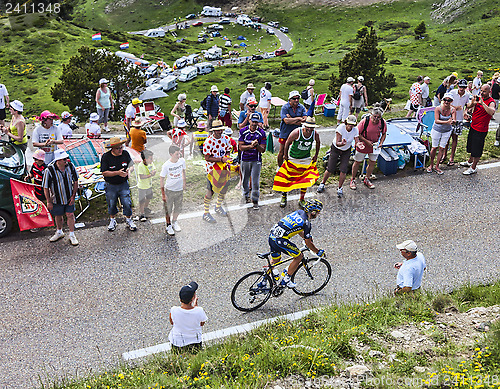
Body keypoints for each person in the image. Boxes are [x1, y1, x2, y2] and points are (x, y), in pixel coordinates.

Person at [268, 199, 326, 288]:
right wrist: (317, 251)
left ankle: (264, 279)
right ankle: (286, 280)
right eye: (318, 212)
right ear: (313, 212)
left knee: (276, 260)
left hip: (272, 237)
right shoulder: (306, 223)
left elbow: (297, 229)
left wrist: (305, 237)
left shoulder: (299, 212)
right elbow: (308, 243)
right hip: (281, 241)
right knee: (299, 256)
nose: (318, 215)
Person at [274, 116, 320, 208]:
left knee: (305, 179)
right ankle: (284, 195)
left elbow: (318, 142)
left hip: (305, 158)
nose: (310, 129)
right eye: (308, 127)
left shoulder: (315, 134)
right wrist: (285, 155)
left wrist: (316, 155)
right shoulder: (297, 132)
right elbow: (287, 142)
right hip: (293, 157)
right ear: (305, 126)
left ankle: (302, 198)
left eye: (312, 128)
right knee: (287, 177)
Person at [42, 149, 79, 246]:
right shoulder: (49, 170)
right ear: (58, 160)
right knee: (58, 215)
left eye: (66, 158)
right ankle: (59, 231)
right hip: (56, 198)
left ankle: (72, 234)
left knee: (70, 214)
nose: (66, 160)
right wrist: (49, 201)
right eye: (63, 159)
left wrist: (73, 195)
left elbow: (76, 181)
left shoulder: (70, 166)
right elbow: (45, 187)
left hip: (69, 196)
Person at [317, 115, 359, 198]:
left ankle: (340, 188)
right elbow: (337, 143)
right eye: (349, 124)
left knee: (343, 170)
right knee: (330, 168)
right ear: (346, 123)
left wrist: (359, 144)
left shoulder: (355, 130)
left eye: (352, 125)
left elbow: (356, 141)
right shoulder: (340, 128)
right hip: (336, 148)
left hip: (346, 150)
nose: (350, 126)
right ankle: (322, 183)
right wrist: (342, 143)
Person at [100, 137, 137, 231]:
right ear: (112, 149)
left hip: (123, 183)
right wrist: (117, 173)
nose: (120, 150)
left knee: (127, 202)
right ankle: (112, 220)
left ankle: (129, 219)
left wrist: (129, 170)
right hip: (111, 184)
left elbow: (131, 165)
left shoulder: (125, 154)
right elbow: (104, 172)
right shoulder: (106, 157)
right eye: (118, 148)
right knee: (111, 203)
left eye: (122, 147)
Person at [202, 120, 233, 223]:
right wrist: (221, 159)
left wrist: (227, 157)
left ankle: (218, 206)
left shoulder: (226, 138)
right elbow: (207, 157)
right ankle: (206, 213)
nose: (220, 132)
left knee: (224, 188)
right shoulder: (208, 142)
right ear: (213, 131)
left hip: (224, 168)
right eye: (218, 130)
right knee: (210, 191)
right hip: (212, 170)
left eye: (221, 129)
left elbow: (228, 150)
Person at [460, 84, 495, 175]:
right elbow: (468, 106)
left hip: (481, 129)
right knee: (471, 145)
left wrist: (482, 103)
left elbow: (491, 112)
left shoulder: (491, 102)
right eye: (481, 91)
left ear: (489, 91)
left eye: (484, 91)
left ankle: (473, 167)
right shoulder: (478, 98)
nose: (482, 93)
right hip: (473, 126)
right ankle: (470, 161)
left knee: (477, 149)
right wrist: (473, 103)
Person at [350, 107, 387, 190]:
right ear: (371, 115)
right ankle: (353, 179)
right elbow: (357, 133)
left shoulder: (382, 122)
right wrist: (366, 141)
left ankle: (367, 178)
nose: (376, 119)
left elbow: (384, 133)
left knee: (372, 163)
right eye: (375, 117)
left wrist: (381, 143)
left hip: (374, 146)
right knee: (357, 162)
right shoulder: (364, 121)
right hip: (362, 145)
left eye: (378, 117)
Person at [168, 281, 207, 353]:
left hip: (177, 342)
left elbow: (172, 322)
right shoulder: (199, 311)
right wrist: (195, 307)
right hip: (194, 342)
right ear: (193, 298)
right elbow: (201, 323)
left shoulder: (174, 310)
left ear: (180, 299)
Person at [239, 113, 266, 209]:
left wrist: (257, 145)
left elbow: (263, 150)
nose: (254, 124)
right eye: (253, 121)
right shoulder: (243, 131)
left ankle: (255, 200)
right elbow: (241, 147)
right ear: (249, 121)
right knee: (245, 179)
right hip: (245, 159)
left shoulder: (262, 133)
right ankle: (245, 196)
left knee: (255, 181)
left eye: (256, 122)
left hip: (256, 159)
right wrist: (250, 146)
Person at [426, 92, 456, 175]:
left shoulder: (453, 110)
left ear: (451, 101)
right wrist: (447, 122)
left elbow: (453, 120)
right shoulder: (438, 108)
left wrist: (453, 121)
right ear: (443, 100)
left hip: (446, 131)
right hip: (437, 130)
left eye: (449, 100)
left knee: (442, 148)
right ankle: (431, 165)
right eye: (445, 100)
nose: (446, 102)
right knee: (434, 147)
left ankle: (437, 166)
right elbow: (436, 120)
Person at [160, 145, 186, 235]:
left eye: (179, 153)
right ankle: (168, 225)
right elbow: (161, 179)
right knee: (168, 209)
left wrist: (184, 182)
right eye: (176, 154)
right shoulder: (166, 165)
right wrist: (163, 194)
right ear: (171, 154)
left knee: (178, 207)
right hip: (169, 190)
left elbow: (183, 171)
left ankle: (174, 221)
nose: (179, 156)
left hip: (179, 190)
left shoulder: (182, 161)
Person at [278, 91, 307, 168]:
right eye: (294, 98)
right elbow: (286, 121)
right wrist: (298, 119)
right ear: (290, 99)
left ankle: (292, 166)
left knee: (294, 151)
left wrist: (291, 119)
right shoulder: (285, 107)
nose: (296, 100)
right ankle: (279, 166)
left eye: (298, 98)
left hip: (296, 133)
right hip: (285, 132)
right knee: (282, 151)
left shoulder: (301, 107)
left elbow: (305, 119)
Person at [447, 79, 471, 165]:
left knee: (455, 138)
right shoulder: (452, 92)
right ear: (458, 86)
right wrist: (454, 107)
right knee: (447, 138)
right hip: (450, 118)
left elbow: (468, 105)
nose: (462, 89)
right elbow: (445, 102)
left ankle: (451, 157)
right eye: (460, 86)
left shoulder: (467, 95)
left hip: (459, 119)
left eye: (464, 87)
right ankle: (444, 155)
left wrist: (465, 111)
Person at [136, 150, 156, 222]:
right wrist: (150, 175)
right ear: (145, 159)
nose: (152, 160)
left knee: (149, 197)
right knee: (142, 200)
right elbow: (141, 176)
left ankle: (145, 208)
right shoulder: (140, 166)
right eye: (151, 158)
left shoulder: (151, 163)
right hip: (142, 186)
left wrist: (154, 172)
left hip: (149, 185)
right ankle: (142, 213)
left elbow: (154, 169)